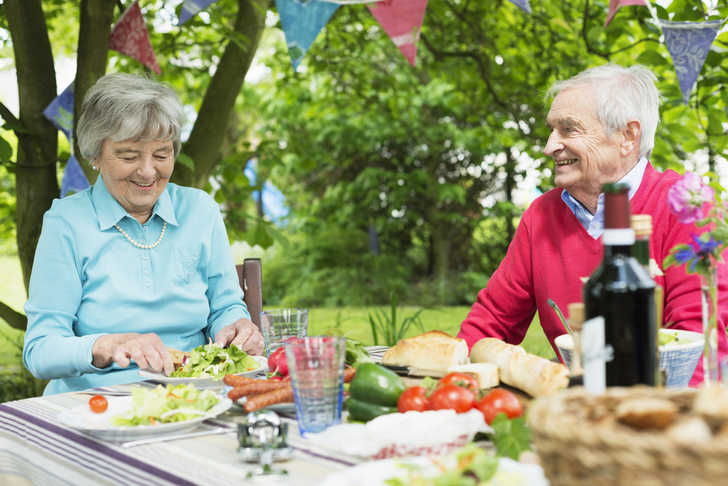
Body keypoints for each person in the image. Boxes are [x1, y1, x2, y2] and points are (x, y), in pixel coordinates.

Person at [457, 63, 727, 386]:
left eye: (568, 129)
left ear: (628, 136)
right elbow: (488, 326)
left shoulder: (687, 208)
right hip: (578, 412)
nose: (549, 146)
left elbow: (697, 349)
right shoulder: (540, 216)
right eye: (552, 129)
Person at [23, 73, 264, 395]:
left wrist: (237, 327)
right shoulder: (66, 223)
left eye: (162, 154)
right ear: (95, 156)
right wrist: (104, 345)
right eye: (129, 156)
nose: (149, 171)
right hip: (96, 403)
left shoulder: (200, 210)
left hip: (194, 393)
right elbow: (39, 350)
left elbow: (225, 306)